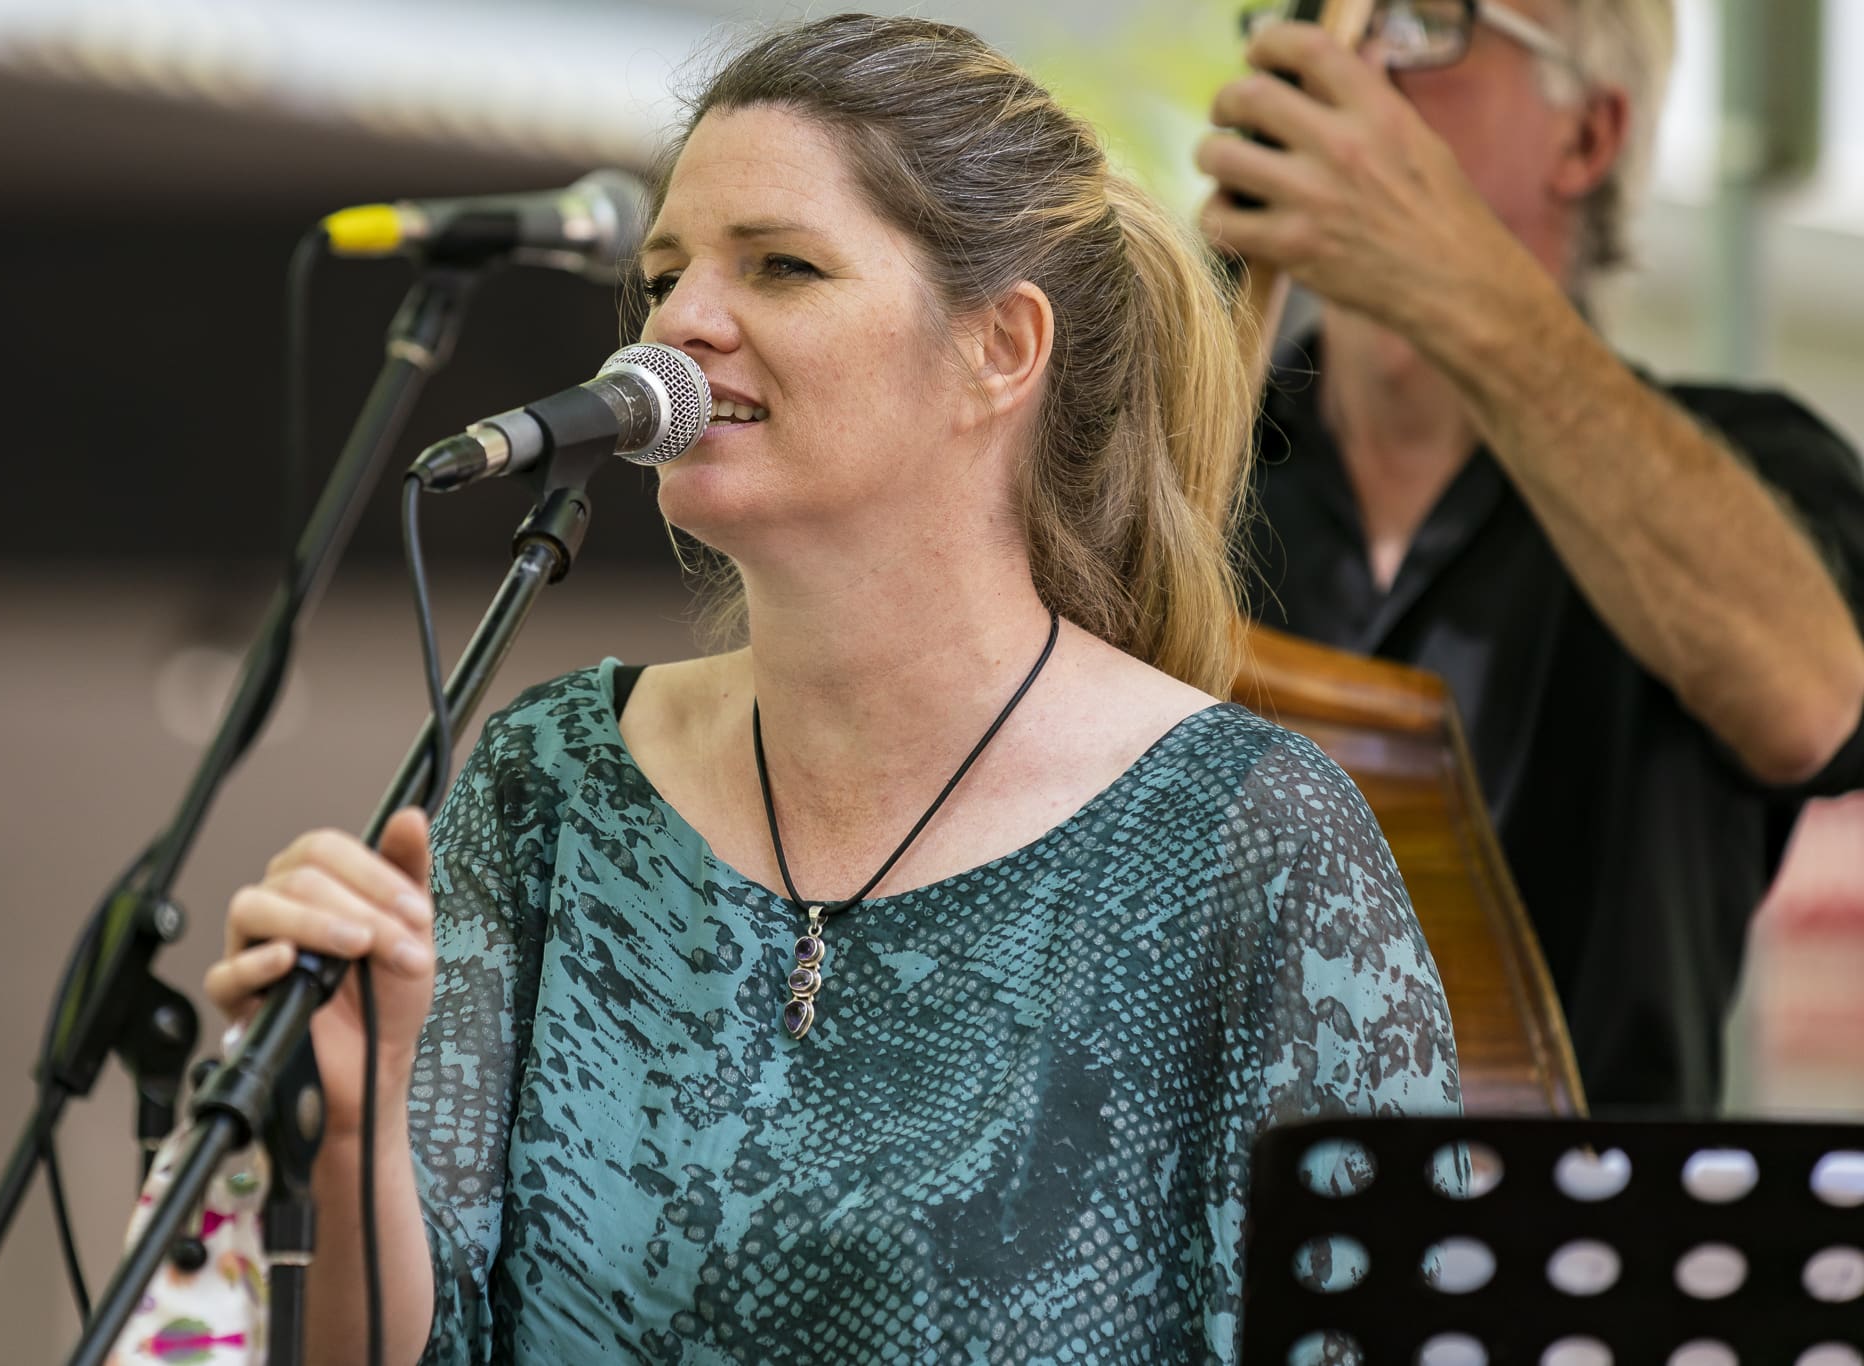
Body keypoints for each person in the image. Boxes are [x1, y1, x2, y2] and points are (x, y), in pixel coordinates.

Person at [207, 14, 1458, 1364]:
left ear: (1000, 348)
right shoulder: (550, 782)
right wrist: (352, 1130)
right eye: (665, 274)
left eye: (782, 266)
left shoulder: (1246, 840)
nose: (677, 326)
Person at [1199, 0, 1864, 1112]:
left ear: (1585, 136)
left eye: (1422, 22)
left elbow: (1812, 700)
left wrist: (1448, 278)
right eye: (1318, 17)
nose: (1341, 58)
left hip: (1582, 1212)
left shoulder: (1750, 465)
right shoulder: (1189, 472)